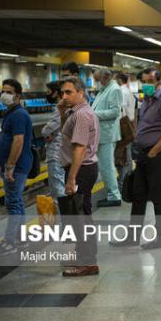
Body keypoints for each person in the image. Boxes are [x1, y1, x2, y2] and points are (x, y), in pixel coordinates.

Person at [110, 68, 161, 249]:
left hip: (158, 155)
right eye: (143, 81)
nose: (145, 85)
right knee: (138, 195)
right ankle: (132, 237)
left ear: (158, 82)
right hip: (143, 154)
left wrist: (153, 152)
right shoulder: (146, 100)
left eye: (149, 81)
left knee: (157, 196)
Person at [57, 76, 100, 276]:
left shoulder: (82, 115)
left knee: (82, 217)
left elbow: (80, 148)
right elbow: (68, 132)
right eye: (62, 92)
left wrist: (71, 178)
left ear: (80, 93)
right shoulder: (76, 112)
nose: (64, 96)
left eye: (69, 92)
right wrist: (61, 111)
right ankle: (83, 253)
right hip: (82, 169)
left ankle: (88, 262)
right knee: (79, 214)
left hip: (81, 170)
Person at [0, 79, 33, 257]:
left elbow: (18, 141)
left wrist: (9, 166)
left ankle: (9, 242)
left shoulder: (18, 115)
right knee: (18, 202)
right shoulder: (12, 112)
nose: (4, 94)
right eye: (3, 91)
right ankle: (21, 239)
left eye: (8, 91)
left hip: (16, 167)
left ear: (17, 95)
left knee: (13, 203)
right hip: (14, 165)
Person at [91, 69, 123, 207]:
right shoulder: (104, 89)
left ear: (106, 77)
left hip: (107, 134)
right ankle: (112, 193)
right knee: (104, 166)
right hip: (101, 133)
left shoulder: (114, 89)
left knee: (106, 166)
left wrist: (93, 115)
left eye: (98, 79)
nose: (97, 83)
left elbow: (115, 112)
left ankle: (114, 196)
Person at [41, 81, 66, 208]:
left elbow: (47, 129)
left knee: (57, 189)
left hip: (56, 152)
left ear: (56, 92)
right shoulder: (62, 107)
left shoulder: (60, 109)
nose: (47, 94)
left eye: (48, 91)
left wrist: (45, 131)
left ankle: (63, 224)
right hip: (61, 152)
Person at [115, 73, 136, 193]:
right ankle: (126, 182)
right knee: (126, 156)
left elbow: (120, 111)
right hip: (129, 125)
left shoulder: (121, 92)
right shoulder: (128, 91)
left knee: (123, 156)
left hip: (123, 127)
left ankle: (123, 184)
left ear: (118, 80)